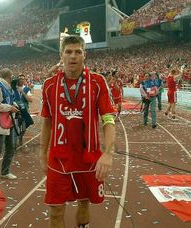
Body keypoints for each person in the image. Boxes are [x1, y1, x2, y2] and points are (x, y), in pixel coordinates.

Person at [40, 35, 115, 228]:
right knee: (55, 210)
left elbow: (108, 119)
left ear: (85, 55)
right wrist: (42, 153)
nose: (73, 56)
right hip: (59, 159)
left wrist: (107, 153)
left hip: (88, 159)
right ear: (61, 55)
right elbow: (47, 122)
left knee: (84, 203)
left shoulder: (97, 82)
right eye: (69, 52)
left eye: (78, 52)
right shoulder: (49, 86)